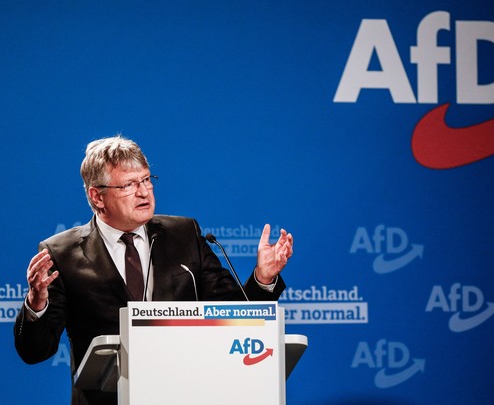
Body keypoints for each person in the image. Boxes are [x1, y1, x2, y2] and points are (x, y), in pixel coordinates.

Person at [13, 136, 293, 405]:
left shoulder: (184, 235)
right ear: (97, 196)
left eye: (147, 180)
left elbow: (236, 315)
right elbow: (35, 351)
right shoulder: (61, 253)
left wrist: (263, 278)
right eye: (129, 185)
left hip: (188, 395)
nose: (144, 191)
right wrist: (37, 304)